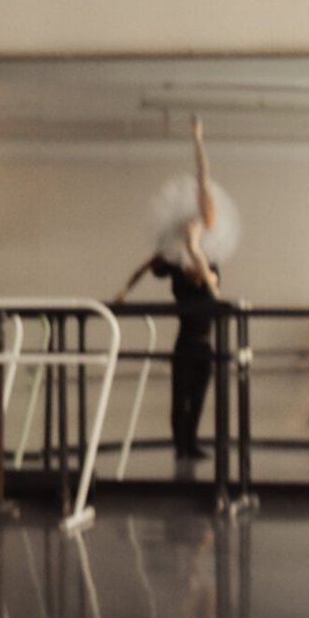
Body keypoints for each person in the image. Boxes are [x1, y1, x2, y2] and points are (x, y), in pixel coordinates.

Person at [115, 116, 222, 466]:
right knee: (181, 398)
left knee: (199, 397)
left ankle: (190, 444)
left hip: (204, 345)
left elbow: (209, 281)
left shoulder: (209, 265)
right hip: (186, 344)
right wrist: (123, 295)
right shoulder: (179, 265)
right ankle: (181, 446)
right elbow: (144, 268)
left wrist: (198, 140)